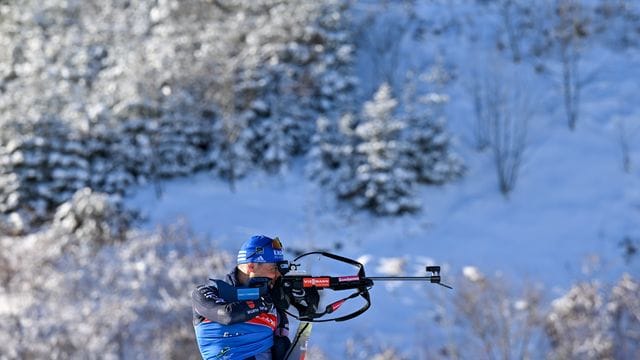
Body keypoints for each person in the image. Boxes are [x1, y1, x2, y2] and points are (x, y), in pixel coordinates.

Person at [192, 235, 292, 360]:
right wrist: (262, 303)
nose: (277, 275)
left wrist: (307, 309)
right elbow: (227, 315)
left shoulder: (273, 301)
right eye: (273, 269)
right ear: (251, 267)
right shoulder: (207, 292)